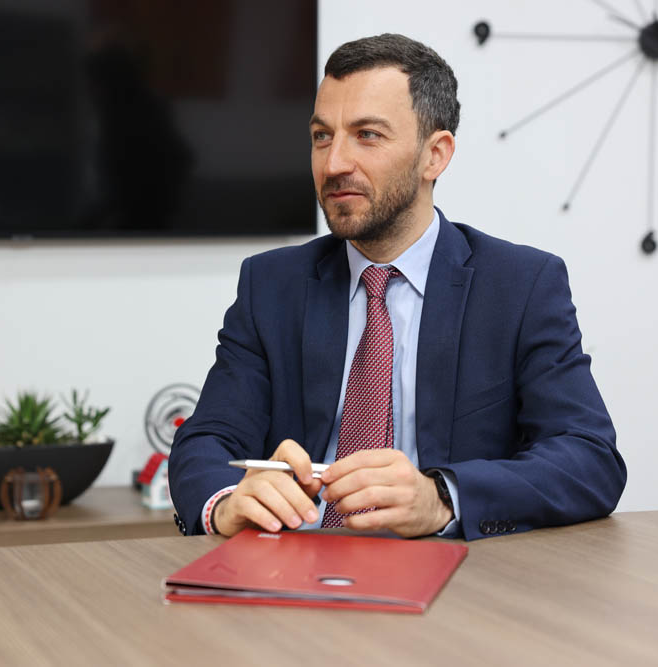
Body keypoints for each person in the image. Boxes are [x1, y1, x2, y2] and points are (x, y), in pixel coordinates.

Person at [168, 33, 626, 540]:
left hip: (460, 585)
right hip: (297, 575)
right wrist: (228, 502)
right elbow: (207, 440)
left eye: (367, 134)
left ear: (436, 154)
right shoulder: (271, 285)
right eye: (322, 136)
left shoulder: (519, 286)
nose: (334, 163)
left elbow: (588, 458)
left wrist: (442, 498)